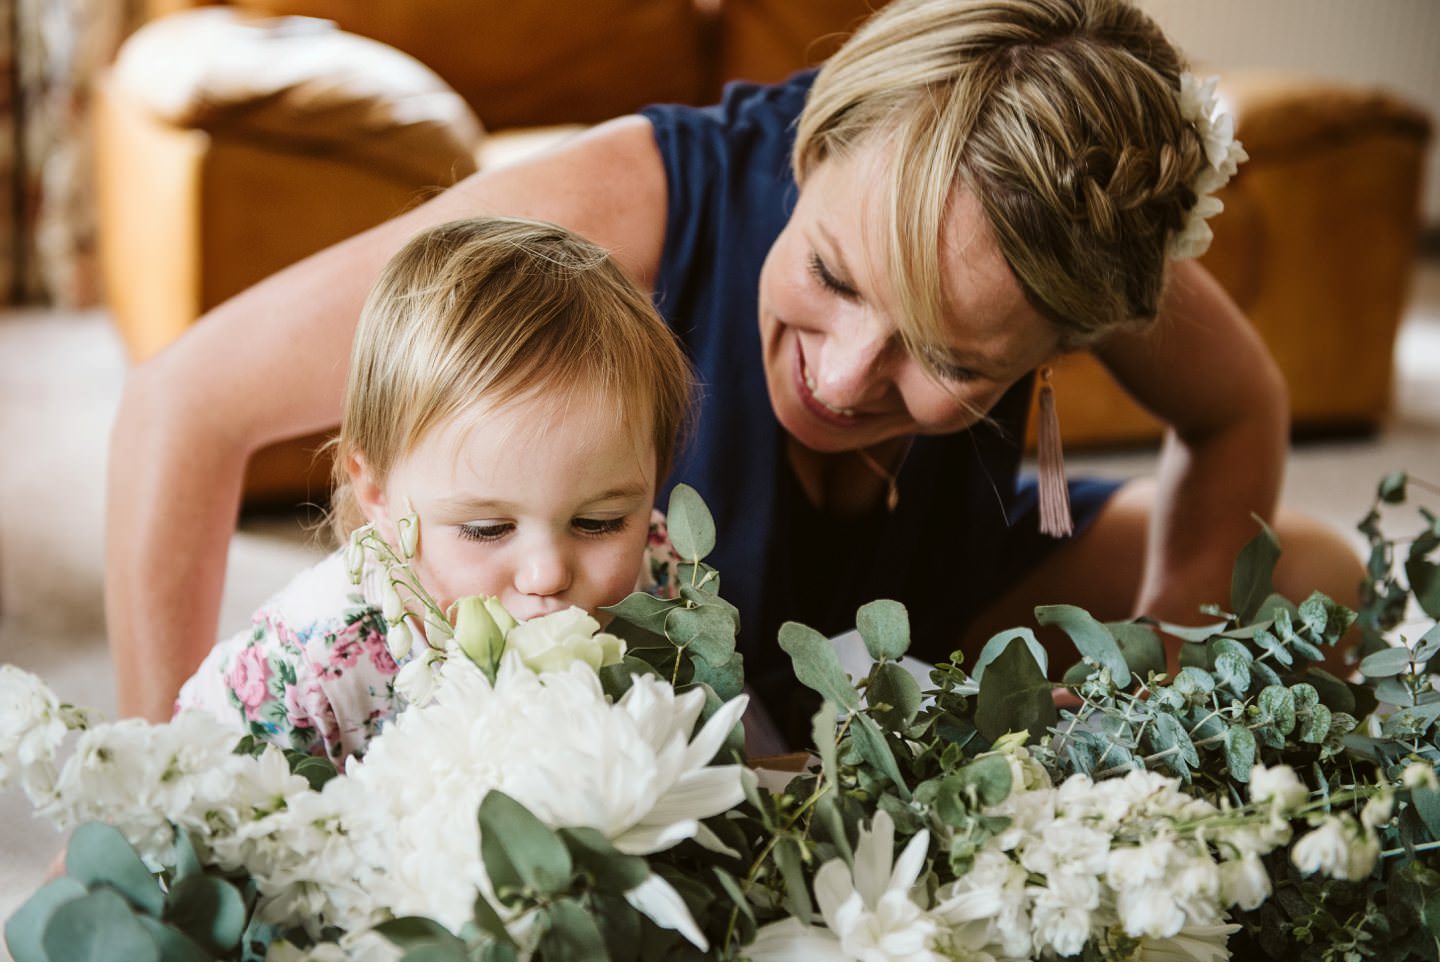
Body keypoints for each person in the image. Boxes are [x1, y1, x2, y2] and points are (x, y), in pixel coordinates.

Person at [108, 0, 1364, 747]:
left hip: (950, 589)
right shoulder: (626, 198)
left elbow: (1238, 403)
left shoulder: (1064, 238)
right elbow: (187, 401)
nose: (844, 375)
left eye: (947, 356)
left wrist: (1153, 660)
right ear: (816, 149)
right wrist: (172, 804)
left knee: (1316, 576)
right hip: (623, 646)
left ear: (1063, 340)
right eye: (829, 271)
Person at [172, 215, 693, 764]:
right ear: (376, 492)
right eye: (486, 529)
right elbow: (181, 797)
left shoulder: (661, 583)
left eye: (600, 521)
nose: (547, 575)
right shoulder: (309, 663)